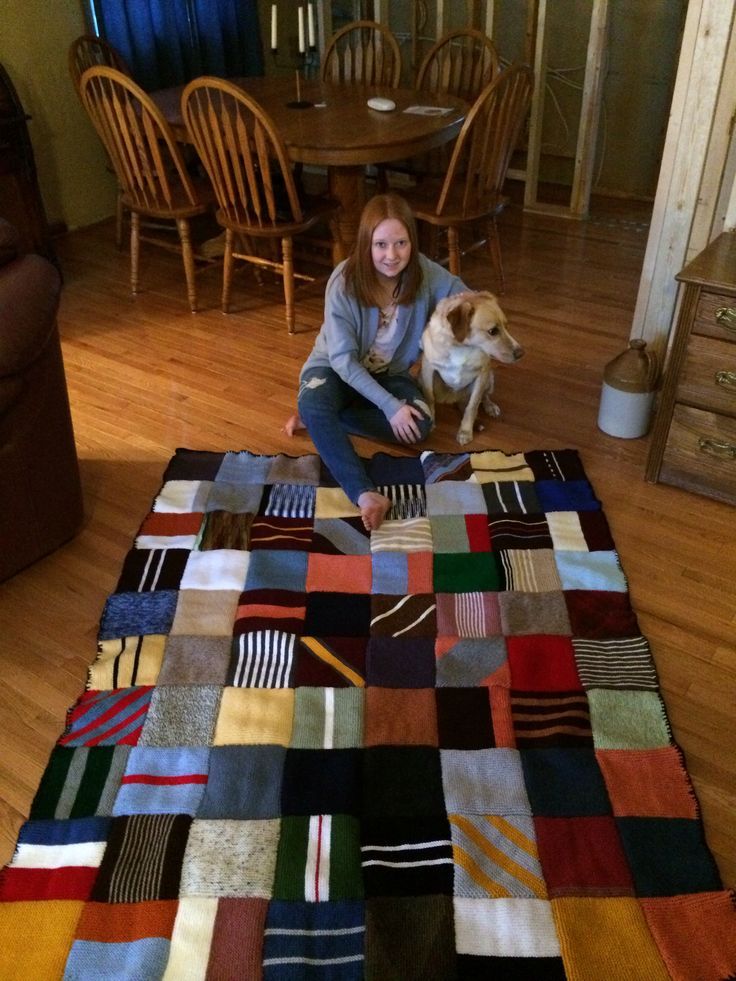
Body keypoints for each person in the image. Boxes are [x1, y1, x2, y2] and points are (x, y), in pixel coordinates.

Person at [283, 193, 469, 530]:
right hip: (335, 369)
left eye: (401, 242)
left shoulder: (423, 271)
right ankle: (365, 493)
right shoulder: (343, 281)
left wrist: (483, 323)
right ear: (366, 243)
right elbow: (342, 361)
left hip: (389, 373)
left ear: (412, 241)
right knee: (320, 401)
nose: (391, 255)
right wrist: (389, 406)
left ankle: (321, 418)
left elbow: (462, 294)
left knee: (421, 425)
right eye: (381, 244)